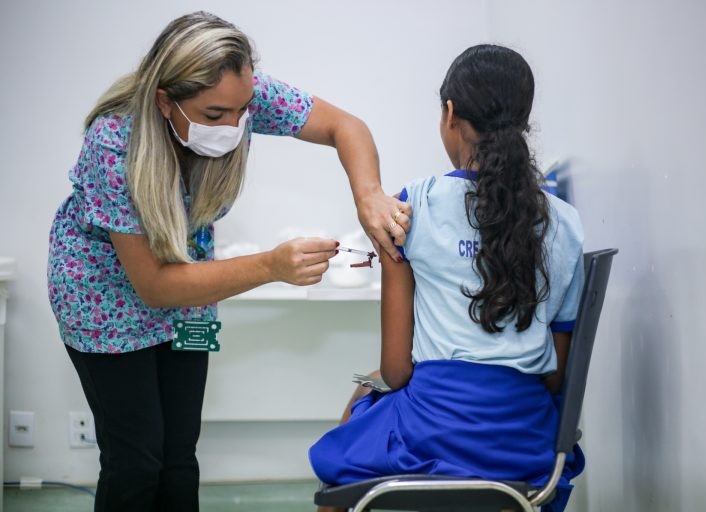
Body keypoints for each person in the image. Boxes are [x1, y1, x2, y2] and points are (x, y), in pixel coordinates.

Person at [47, 11, 411, 512]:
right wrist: (271, 267)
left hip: (188, 285)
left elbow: (345, 126)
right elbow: (155, 286)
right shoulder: (114, 143)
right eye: (215, 114)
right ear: (165, 101)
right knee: (136, 461)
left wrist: (368, 195)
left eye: (242, 112)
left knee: (179, 455)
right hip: (104, 297)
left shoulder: (243, 95)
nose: (234, 127)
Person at [309, 44, 586, 512]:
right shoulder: (565, 223)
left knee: (341, 457)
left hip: (429, 433)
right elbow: (554, 377)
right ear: (522, 119)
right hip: (525, 448)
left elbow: (396, 371)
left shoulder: (411, 207)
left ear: (450, 114)